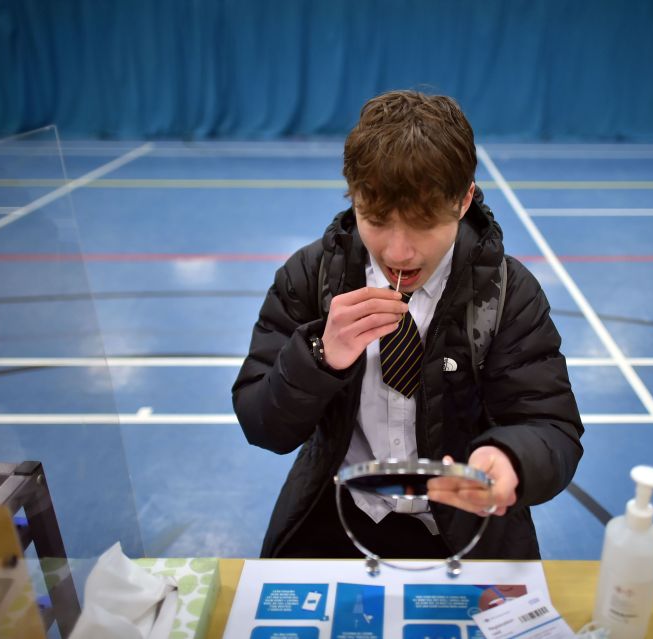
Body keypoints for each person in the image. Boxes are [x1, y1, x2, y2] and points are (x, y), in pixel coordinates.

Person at [232, 90, 584, 560]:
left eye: (422, 223)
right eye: (375, 220)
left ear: (463, 201)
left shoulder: (507, 292)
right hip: (337, 514)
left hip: (463, 528)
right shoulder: (312, 276)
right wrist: (319, 356)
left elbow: (551, 427)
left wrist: (510, 459)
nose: (398, 252)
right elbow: (262, 424)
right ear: (354, 199)